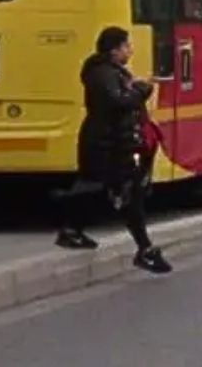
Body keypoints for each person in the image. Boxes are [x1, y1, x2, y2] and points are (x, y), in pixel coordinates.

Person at [54, 26, 172, 274]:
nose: (130, 50)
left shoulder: (111, 72)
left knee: (124, 194)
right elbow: (118, 102)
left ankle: (141, 248)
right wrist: (141, 89)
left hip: (115, 144)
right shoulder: (102, 74)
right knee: (112, 191)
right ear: (115, 49)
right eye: (127, 46)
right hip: (106, 144)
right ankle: (143, 250)